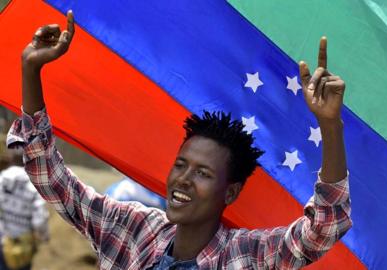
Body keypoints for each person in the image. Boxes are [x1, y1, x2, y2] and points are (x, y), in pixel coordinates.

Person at [7, 11, 351, 269]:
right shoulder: (134, 230)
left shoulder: (246, 256)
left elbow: (323, 228)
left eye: (203, 173)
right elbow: (51, 177)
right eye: (181, 164)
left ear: (229, 192)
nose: (183, 178)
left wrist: (330, 125)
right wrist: (31, 71)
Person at [0, 135, 49, 270]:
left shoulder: (2, 179)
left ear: (11, 156)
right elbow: (39, 221)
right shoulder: (33, 184)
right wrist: (43, 238)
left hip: (3, 243)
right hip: (23, 247)